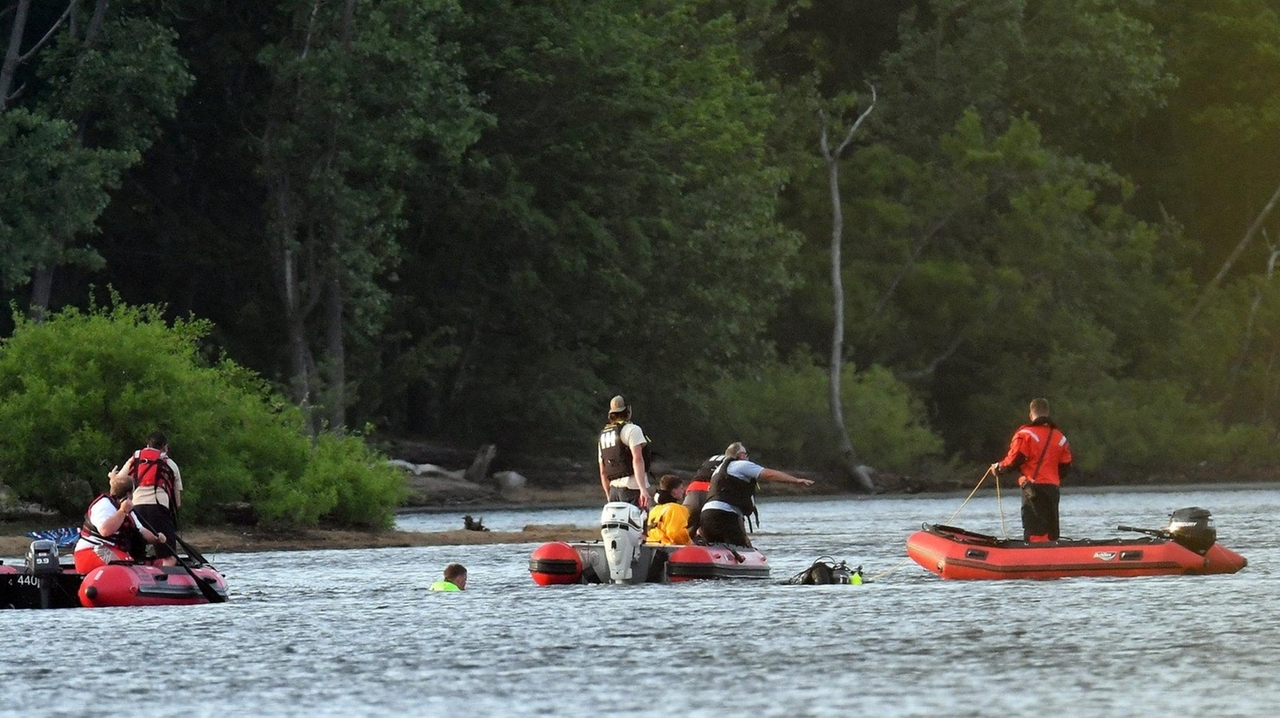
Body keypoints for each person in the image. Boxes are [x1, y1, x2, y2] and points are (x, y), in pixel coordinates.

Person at [700, 442, 814, 547]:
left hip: (706, 515)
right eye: (746, 454)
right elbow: (769, 474)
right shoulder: (741, 465)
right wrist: (796, 480)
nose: (747, 457)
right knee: (740, 549)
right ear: (741, 455)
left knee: (716, 547)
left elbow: (735, 511)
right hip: (724, 515)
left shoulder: (718, 471)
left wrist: (744, 536)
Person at [991, 397, 1073, 542]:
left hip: (1033, 489)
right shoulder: (1060, 437)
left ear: (1031, 414)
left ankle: (1033, 557)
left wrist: (998, 468)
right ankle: (1053, 557)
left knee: (1035, 529)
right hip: (1053, 489)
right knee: (1051, 530)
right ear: (1048, 413)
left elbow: (1014, 460)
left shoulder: (1026, 434)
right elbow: (1065, 467)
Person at [72, 467, 163, 573]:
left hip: (112, 549)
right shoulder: (104, 505)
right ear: (129, 494)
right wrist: (122, 511)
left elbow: (141, 530)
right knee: (126, 565)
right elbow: (105, 530)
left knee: (138, 565)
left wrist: (156, 538)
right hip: (91, 550)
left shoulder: (129, 510)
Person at [126, 431, 183, 567]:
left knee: (136, 554)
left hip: (135, 509)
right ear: (165, 447)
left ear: (147, 445)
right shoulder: (170, 464)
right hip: (158, 509)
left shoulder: (135, 459)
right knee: (169, 558)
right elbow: (177, 501)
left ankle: (137, 577)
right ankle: (164, 581)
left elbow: (119, 482)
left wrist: (112, 477)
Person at [597, 395, 654, 509]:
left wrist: (609, 496)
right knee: (639, 525)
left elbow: (603, 471)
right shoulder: (633, 430)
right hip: (632, 488)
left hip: (613, 490)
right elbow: (637, 459)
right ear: (628, 410)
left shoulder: (603, 436)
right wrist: (643, 489)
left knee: (618, 527)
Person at [682, 453, 723, 540]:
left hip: (692, 490)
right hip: (711, 491)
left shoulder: (711, 459)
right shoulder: (737, 463)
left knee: (689, 528)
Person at [645, 475, 691, 545]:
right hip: (669, 549)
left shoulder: (654, 510)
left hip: (652, 546)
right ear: (674, 491)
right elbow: (676, 534)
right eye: (681, 488)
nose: (683, 491)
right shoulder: (675, 509)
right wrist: (690, 543)